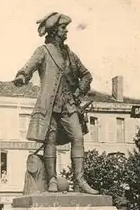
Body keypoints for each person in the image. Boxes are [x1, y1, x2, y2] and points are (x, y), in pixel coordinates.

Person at [13, 12, 98, 194]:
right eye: (63, 28)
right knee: (50, 141)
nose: (66, 31)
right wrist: (22, 76)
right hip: (50, 106)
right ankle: (52, 180)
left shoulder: (70, 54)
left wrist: (77, 93)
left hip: (69, 105)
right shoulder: (43, 51)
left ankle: (80, 180)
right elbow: (30, 66)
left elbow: (86, 75)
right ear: (53, 31)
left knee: (78, 137)